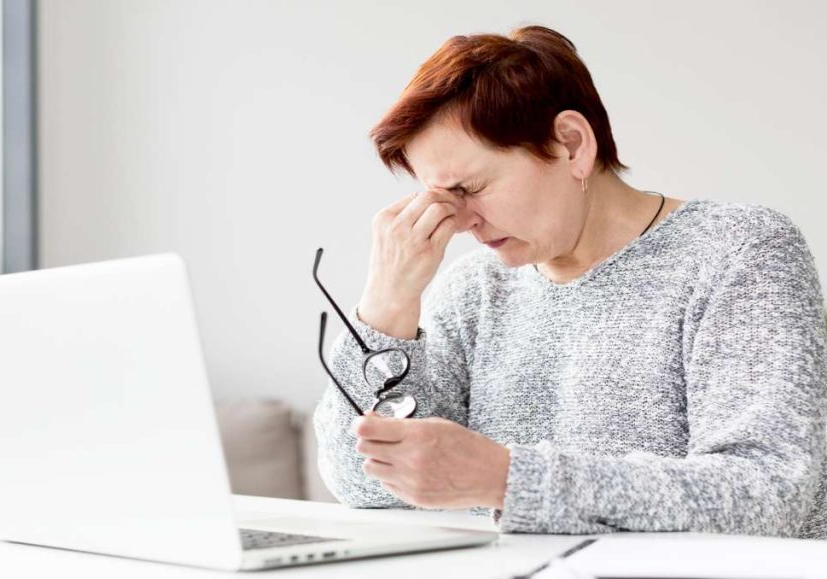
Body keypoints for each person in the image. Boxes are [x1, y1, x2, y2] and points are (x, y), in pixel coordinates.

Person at [313, 25, 827, 539]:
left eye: (470, 188)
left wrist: (506, 478)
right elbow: (363, 486)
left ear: (572, 144)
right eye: (439, 197)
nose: (461, 221)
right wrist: (386, 304)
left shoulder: (738, 252)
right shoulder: (473, 289)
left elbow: (767, 493)